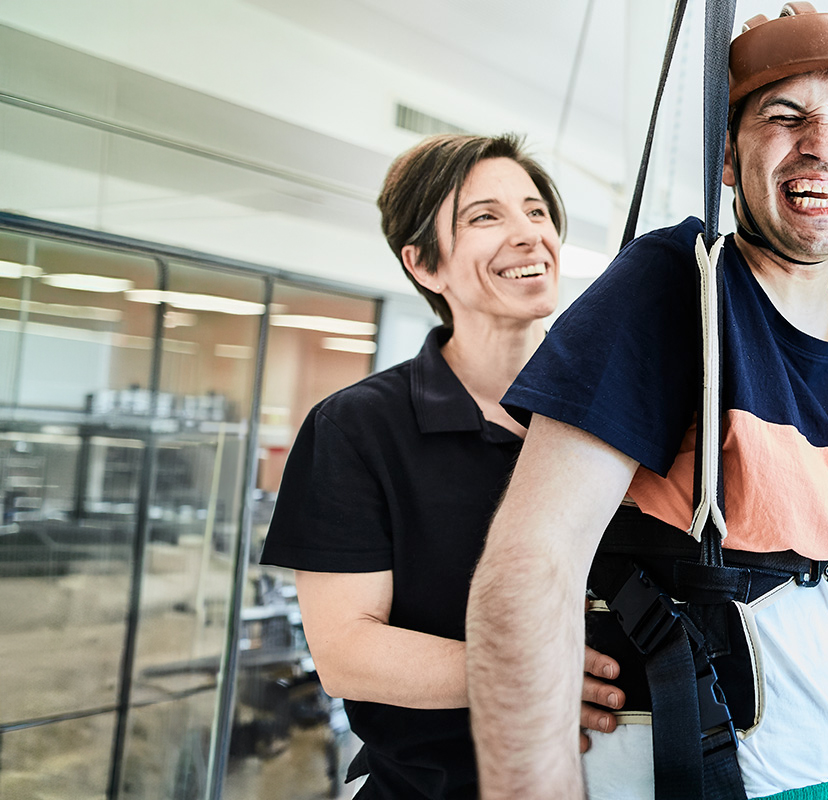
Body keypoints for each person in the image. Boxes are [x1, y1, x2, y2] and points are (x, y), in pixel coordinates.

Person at [465, 5, 828, 799]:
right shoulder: (674, 286)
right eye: (786, 115)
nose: (825, 145)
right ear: (729, 159)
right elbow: (533, 563)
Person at [258, 133, 618, 799]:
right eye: (485, 217)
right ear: (424, 264)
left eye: (536, 212)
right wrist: (534, 678)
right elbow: (347, 652)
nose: (528, 234)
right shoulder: (358, 427)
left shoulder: (616, 405)